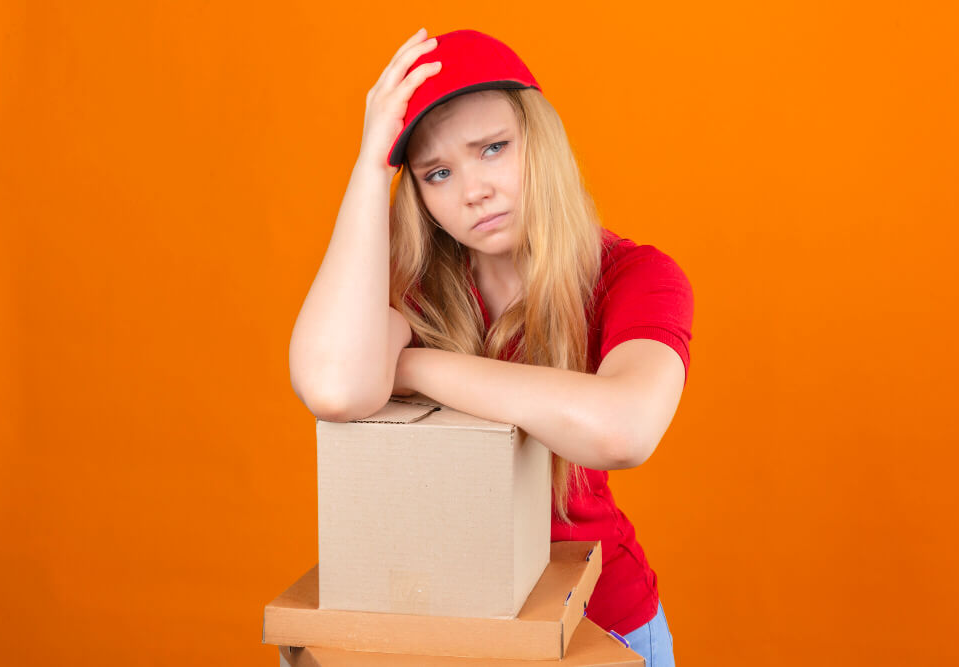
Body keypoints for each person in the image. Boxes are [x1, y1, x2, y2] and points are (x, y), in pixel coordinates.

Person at [288, 28, 692, 667]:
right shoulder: (413, 290)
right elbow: (334, 386)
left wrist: (415, 365)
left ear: (542, 142)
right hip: (455, 629)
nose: (472, 190)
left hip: (598, 626)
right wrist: (370, 166)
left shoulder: (635, 277)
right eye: (438, 173)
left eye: (493, 149)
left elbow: (625, 430)